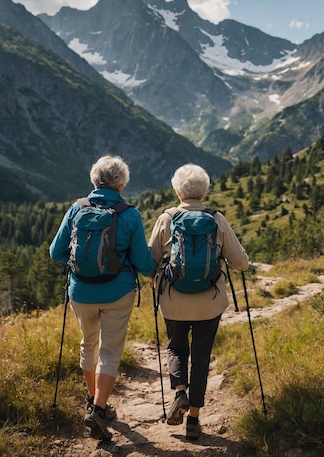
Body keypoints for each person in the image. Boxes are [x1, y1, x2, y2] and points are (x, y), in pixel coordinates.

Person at [49, 155, 156, 441]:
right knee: (109, 350)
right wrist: (152, 271)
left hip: (81, 292)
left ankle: (93, 400)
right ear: (121, 183)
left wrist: (76, 267)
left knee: (89, 344)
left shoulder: (77, 208)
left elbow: (55, 252)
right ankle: (99, 408)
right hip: (118, 292)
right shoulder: (130, 214)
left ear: (95, 180)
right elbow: (142, 260)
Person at [148, 163, 249, 441]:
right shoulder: (216, 219)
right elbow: (240, 263)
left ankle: (179, 392)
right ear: (203, 192)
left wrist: (153, 275)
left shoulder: (166, 218)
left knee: (177, 348)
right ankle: (193, 419)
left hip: (173, 300)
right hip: (209, 302)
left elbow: (149, 261)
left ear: (178, 191)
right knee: (201, 357)